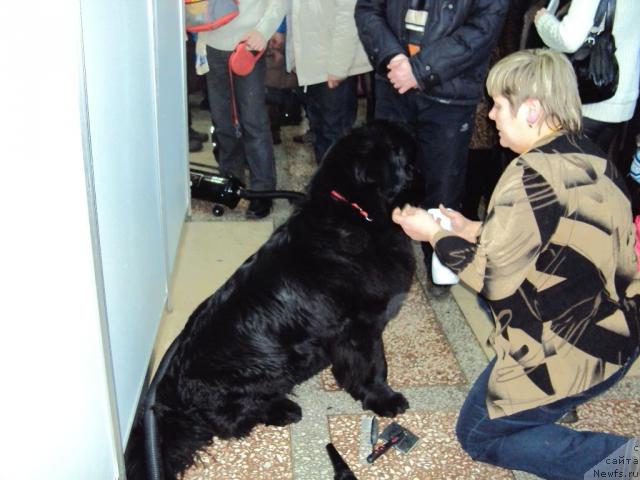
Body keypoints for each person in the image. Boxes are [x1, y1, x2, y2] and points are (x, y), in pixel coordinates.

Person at [392, 49, 640, 479]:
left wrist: (434, 235)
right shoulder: (591, 156)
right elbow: (550, 238)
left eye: (499, 105)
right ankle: (554, 403)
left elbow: (493, 281)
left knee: (477, 436)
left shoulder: (528, 176)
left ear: (531, 110)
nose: (490, 116)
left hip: (576, 350)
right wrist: (471, 229)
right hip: (619, 335)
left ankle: (624, 464)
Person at [354, 0, 509, 295]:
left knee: (443, 185)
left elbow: (483, 27)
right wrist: (393, 57)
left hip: (449, 92)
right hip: (394, 83)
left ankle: (439, 261)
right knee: (386, 179)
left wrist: (420, 69)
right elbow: (368, 9)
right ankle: (384, 259)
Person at [199, 0, 285, 219]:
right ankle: (230, 182)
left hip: (248, 43)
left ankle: (262, 191)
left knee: (253, 120)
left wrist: (263, 30)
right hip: (212, 42)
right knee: (222, 120)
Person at [533, 0, 640, 166]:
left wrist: (542, 20)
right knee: (590, 177)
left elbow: (568, 39)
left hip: (586, 99)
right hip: (621, 95)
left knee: (563, 176)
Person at [284, 0, 372, 164]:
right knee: (321, 134)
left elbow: (348, 16)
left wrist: (338, 67)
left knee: (335, 138)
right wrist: (294, 55)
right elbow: (294, 11)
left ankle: (337, 188)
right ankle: (325, 186)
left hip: (333, 68)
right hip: (313, 64)